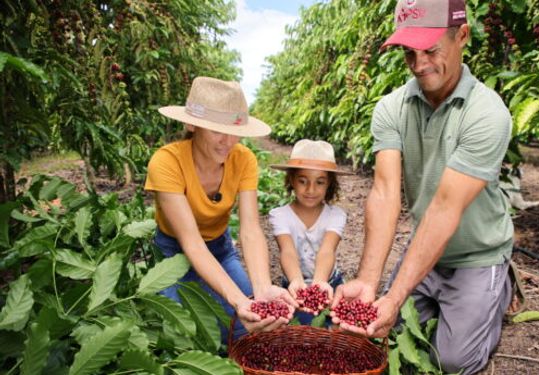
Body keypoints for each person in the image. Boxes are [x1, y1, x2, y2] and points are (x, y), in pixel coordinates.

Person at [331, 0, 518, 373]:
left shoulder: (487, 113)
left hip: (476, 256)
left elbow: (444, 209)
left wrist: (396, 294)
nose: (419, 65)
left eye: (431, 50)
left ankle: (500, 288)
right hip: (428, 249)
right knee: (378, 332)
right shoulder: (391, 108)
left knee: (451, 361)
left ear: (462, 36)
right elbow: (385, 194)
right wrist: (369, 282)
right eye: (408, 53)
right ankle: (434, 296)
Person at [145, 76, 297, 342]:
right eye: (217, 131)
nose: (228, 142)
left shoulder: (244, 159)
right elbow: (191, 243)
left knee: (247, 329)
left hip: (220, 248)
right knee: (180, 335)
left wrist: (260, 289)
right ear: (193, 125)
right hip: (172, 253)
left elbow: (250, 229)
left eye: (235, 131)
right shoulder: (166, 163)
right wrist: (238, 300)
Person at [269, 139, 352, 324]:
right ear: (291, 180)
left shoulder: (335, 215)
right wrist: (296, 281)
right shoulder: (280, 216)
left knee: (332, 332)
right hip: (294, 283)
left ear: (329, 183)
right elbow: (287, 250)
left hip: (328, 283)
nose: (311, 189)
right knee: (300, 333)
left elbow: (327, 249)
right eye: (303, 181)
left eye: (320, 182)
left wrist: (319, 282)